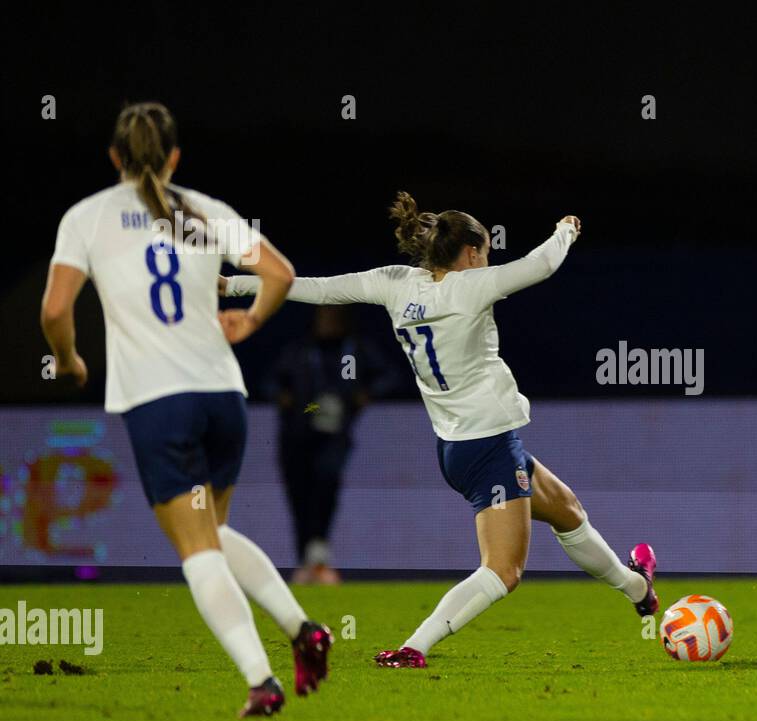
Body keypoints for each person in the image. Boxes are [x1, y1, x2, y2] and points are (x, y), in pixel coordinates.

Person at [222, 193, 658, 668]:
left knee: (567, 510)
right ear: (470, 251)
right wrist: (566, 229)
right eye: (486, 251)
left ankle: (638, 587)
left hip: (458, 446)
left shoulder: (393, 283)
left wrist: (236, 285)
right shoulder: (471, 287)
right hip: (487, 446)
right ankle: (414, 646)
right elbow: (542, 264)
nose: (488, 260)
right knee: (504, 571)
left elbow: (318, 289)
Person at [41, 102, 332, 716]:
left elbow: (53, 310)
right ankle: (304, 631)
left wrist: (67, 361)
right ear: (174, 156)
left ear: (114, 157)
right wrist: (249, 319)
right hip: (223, 400)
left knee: (197, 549)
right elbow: (279, 273)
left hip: (158, 403)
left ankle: (261, 680)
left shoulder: (87, 217)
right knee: (213, 532)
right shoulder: (207, 211)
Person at [268, 306, 401, 584]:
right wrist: (283, 396)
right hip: (296, 432)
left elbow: (390, 376)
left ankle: (318, 556)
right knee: (299, 495)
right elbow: (269, 381)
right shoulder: (300, 350)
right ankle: (307, 561)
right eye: (323, 317)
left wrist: (366, 394)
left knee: (326, 482)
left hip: (335, 432)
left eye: (333, 317)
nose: (328, 322)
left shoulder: (355, 350)